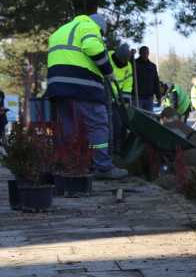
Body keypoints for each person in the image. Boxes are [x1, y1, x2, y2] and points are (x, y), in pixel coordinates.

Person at [46, 13, 128, 179]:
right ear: (100, 27)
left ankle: (70, 166)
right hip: (82, 85)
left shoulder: (61, 31)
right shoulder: (88, 26)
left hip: (57, 86)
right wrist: (108, 71)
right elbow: (92, 47)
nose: (100, 35)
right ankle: (103, 167)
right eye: (101, 33)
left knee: (69, 128)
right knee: (98, 124)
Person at [108, 43, 133, 151]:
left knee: (119, 124)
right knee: (107, 125)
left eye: (126, 60)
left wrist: (125, 99)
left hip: (117, 100)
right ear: (118, 56)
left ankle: (117, 147)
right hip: (104, 97)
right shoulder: (107, 57)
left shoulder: (128, 66)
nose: (124, 63)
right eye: (122, 60)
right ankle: (109, 147)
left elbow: (128, 83)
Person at [134, 46, 161, 112]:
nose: (145, 54)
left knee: (149, 117)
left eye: (146, 53)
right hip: (137, 97)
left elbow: (156, 82)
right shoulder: (134, 64)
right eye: (143, 53)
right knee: (138, 116)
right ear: (140, 53)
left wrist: (158, 97)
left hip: (149, 98)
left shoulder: (152, 66)